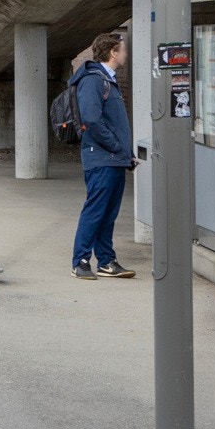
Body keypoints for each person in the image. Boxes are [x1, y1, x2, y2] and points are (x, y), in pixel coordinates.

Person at [68, 33, 137, 279]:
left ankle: (106, 261)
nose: (126, 54)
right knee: (95, 211)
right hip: (101, 158)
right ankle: (81, 261)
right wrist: (118, 148)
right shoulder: (94, 80)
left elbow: (112, 123)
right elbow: (92, 120)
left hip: (114, 158)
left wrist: (126, 154)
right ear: (112, 52)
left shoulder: (109, 80)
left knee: (108, 213)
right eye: (123, 50)